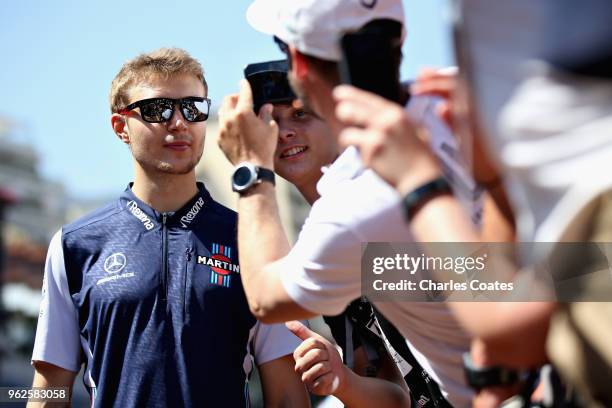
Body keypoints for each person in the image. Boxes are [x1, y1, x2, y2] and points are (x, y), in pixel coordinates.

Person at [216, 1, 500, 405]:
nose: (285, 134)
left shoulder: (351, 207)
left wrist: (249, 167)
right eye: (273, 123)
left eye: (300, 115)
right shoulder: (469, 103)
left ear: (298, 64)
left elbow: (265, 296)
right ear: (399, 38)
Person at [29, 48, 309, 408]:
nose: (179, 122)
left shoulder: (251, 238)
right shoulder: (74, 244)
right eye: (157, 109)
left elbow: (287, 395)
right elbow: (47, 392)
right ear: (121, 127)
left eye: (193, 109)